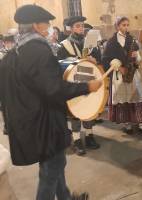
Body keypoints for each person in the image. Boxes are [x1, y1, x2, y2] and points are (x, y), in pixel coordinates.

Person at [0, 4, 103, 200]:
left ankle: (65, 197)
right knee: (52, 168)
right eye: (46, 24)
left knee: (54, 164)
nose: (49, 28)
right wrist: (86, 87)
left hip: (29, 121)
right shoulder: (38, 50)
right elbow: (53, 88)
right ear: (36, 26)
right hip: (43, 121)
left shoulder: (15, 53)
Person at [57, 16, 101, 156]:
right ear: (70, 28)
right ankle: (76, 140)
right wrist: (78, 60)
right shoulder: (63, 45)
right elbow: (59, 63)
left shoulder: (90, 42)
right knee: (75, 110)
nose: (81, 28)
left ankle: (89, 136)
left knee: (89, 108)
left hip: (89, 79)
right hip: (73, 82)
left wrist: (94, 59)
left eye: (82, 26)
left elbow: (98, 59)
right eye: (77, 26)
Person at [102, 16, 142, 134]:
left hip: (133, 73)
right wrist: (119, 67)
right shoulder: (112, 42)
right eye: (123, 25)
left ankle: (141, 123)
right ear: (118, 26)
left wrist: (137, 56)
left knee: (137, 97)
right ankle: (127, 124)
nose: (126, 27)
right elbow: (105, 58)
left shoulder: (132, 39)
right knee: (123, 100)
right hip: (119, 74)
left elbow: (139, 58)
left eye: (127, 25)